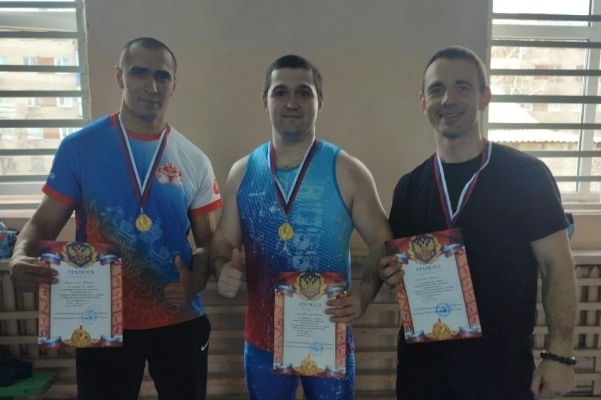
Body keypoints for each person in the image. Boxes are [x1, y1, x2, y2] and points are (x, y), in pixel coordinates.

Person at [8, 37, 221, 400]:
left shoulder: (194, 160)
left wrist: (197, 281)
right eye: (139, 73)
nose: (151, 86)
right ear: (119, 76)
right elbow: (43, 223)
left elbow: (209, 244)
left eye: (162, 76)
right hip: (99, 317)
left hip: (178, 315)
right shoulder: (79, 148)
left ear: (174, 84)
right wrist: (19, 254)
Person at [379, 46, 577, 400]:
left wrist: (559, 354)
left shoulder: (527, 176)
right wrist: (390, 272)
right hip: (422, 372)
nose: (448, 99)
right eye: (437, 89)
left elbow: (558, 266)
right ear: (423, 102)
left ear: (484, 96)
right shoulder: (409, 187)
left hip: (500, 371)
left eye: (463, 87)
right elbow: (396, 266)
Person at [209, 54, 392, 400]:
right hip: (263, 341)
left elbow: (382, 240)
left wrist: (365, 294)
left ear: (320, 101)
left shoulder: (348, 171)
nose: (292, 102)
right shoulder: (243, 172)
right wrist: (222, 268)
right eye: (280, 92)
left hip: (328, 335)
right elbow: (222, 242)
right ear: (265, 101)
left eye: (304, 93)